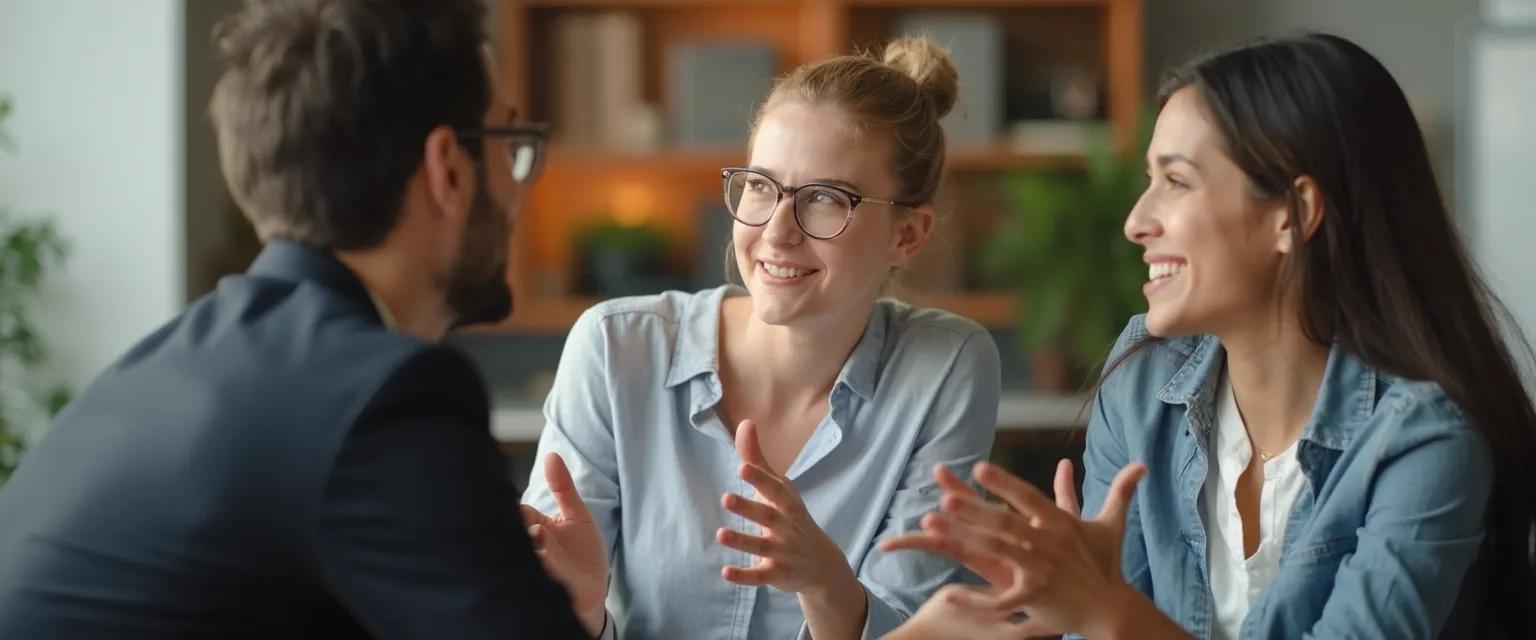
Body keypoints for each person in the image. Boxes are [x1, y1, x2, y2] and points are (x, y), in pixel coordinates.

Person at [882, 33, 1536, 639]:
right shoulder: (1143, 378)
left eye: (1176, 182)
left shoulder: (1422, 440)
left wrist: (1105, 609)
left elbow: (1103, 615)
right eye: (1148, 181)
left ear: (1292, 213)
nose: (1138, 221)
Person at [0, 1, 599, 637]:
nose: (518, 186)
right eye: (511, 145)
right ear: (448, 169)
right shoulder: (383, 399)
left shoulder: (158, 368)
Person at [519, 38, 1002, 639]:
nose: (775, 233)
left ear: (907, 235)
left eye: (826, 199)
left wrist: (826, 584)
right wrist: (583, 611)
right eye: (761, 186)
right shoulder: (617, 347)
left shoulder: (946, 366)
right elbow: (537, 612)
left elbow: (913, 628)